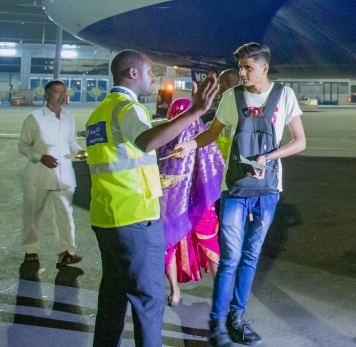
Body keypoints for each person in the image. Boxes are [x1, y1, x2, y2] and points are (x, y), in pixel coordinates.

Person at [86, 50, 218, 347]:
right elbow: (145, 141)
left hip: (107, 217)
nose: (153, 77)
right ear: (133, 73)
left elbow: (118, 161)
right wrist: (194, 112)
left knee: (113, 296)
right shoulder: (127, 108)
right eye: (149, 72)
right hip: (135, 218)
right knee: (149, 301)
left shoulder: (99, 112)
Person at [192, 43, 306, 347]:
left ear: (264, 68)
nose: (241, 73)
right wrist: (189, 144)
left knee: (251, 256)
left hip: (268, 189)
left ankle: (237, 318)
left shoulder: (285, 96)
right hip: (235, 189)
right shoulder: (232, 97)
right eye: (240, 67)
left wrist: (268, 158)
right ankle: (216, 324)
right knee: (230, 258)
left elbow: (300, 141)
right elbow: (212, 133)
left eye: (248, 68)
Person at [159, 97, 225, 307]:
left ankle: (176, 292)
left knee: (171, 243)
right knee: (204, 241)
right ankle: (219, 292)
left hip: (178, 202)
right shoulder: (200, 137)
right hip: (196, 202)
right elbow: (217, 167)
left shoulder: (170, 137)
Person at [19, 80, 86, 266]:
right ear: (47, 95)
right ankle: (30, 250)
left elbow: (71, 142)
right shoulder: (34, 118)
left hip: (64, 175)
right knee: (32, 214)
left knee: (66, 214)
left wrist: (79, 152)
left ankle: (66, 252)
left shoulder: (68, 117)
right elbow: (23, 146)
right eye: (57, 92)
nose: (62, 95)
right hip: (38, 175)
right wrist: (40, 157)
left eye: (64, 92)